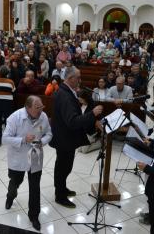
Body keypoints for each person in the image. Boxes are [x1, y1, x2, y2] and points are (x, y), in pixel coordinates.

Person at [50, 66, 103, 208]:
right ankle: (60, 196)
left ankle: (61, 188)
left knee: (63, 166)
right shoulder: (65, 95)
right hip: (64, 138)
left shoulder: (66, 91)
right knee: (63, 167)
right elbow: (72, 122)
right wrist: (92, 114)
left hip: (64, 137)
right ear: (70, 78)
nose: (80, 80)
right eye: (78, 78)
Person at [3, 96, 53, 231]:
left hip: (35, 156)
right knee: (15, 181)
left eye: (42, 107)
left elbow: (49, 133)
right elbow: (5, 138)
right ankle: (10, 196)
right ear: (28, 108)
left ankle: (34, 215)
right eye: (38, 107)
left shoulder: (43, 116)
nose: (41, 110)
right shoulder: (15, 117)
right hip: (18, 157)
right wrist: (23, 139)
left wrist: (42, 142)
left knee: (35, 187)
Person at [0, 66, 16, 146]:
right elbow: (13, 90)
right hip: (8, 102)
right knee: (8, 120)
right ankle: (8, 138)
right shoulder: (10, 82)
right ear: (7, 73)